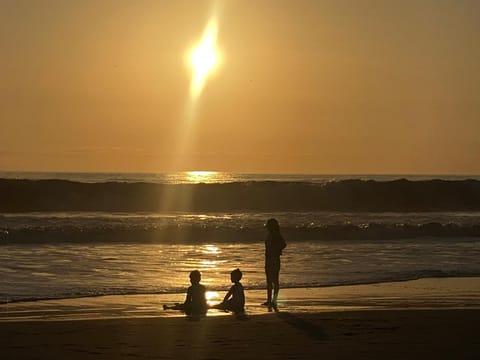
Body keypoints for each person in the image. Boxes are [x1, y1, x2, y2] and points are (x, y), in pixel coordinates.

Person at [263, 218, 286, 312]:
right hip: (269, 259)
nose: (267, 227)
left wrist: (276, 250)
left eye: (268, 225)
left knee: (275, 280)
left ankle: (274, 300)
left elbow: (284, 244)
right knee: (269, 280)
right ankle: (270, 300)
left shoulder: (276, 235)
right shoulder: (270, 235)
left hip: (274, 259)